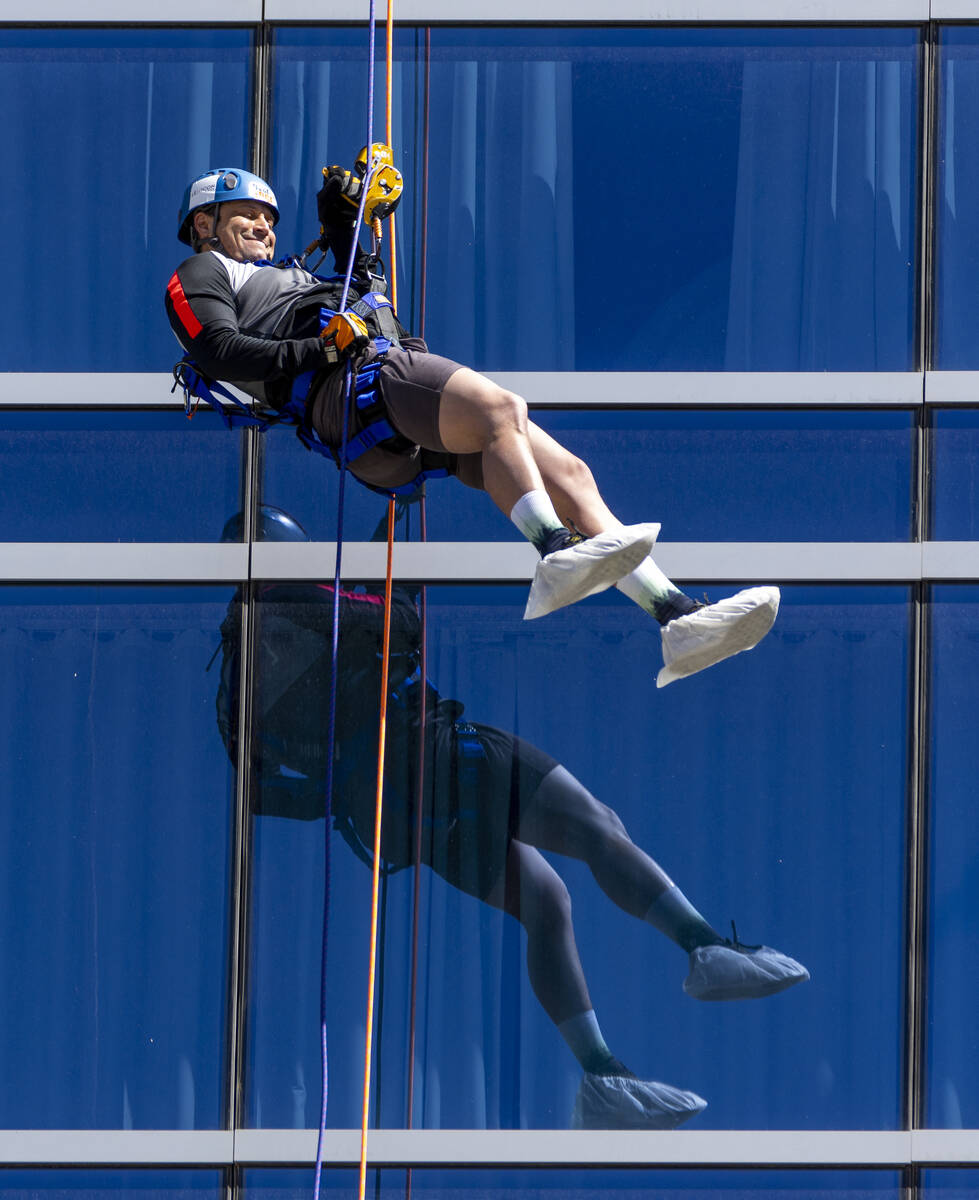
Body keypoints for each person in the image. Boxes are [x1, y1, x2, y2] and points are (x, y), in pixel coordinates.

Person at [217, 506, 810, 1129]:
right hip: (435, 752)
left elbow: (256, 787)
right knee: (597, 825)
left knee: (546, 905)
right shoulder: (301, 601)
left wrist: (342, 792)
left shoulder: (242, 667)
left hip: (397, 818)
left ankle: (602, 1075)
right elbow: (397, 619)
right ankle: (705, 949)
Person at [167, 162, 779, 686]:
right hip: (354, 392)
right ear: (204, 225)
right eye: (245, 214)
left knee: (567, 472)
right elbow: (219, 349)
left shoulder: (293, 275)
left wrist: (353, 221)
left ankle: (677, 619)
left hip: (377, 407)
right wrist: (322, 349)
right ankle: (554, 552)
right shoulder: (202, 274)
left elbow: (358, 291)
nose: (264, 226)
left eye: (268, 217)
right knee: (501, 410)